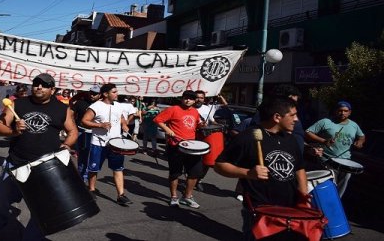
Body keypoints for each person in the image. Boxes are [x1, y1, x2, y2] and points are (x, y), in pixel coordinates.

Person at [0, 73, 77, 240]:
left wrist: (67, 144)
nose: (39, 87)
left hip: (47, 167)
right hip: (16, 163)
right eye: (36, 83)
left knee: (43, 209)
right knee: (0, 200)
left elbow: (72, 131)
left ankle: (31, 237)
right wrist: (13, 131)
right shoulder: (17, 104)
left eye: (44, 85)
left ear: (52, 89)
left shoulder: (62, 109)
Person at [214, 97, 309, 241]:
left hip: (289, 208)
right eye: (292, 115)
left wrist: (303, 195)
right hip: (259, 210)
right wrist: (248, 173)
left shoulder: (290, 139)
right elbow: (219, 165)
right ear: (277, 117)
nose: (296, 119)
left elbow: (299, 168)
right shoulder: (247, 137)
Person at [81, 83, 133, 206]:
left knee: (118, 168)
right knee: (94, 168)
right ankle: (92, 190)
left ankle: (121, 195)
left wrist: (124, 125)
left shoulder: (119, 106)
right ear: (105, 94)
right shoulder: (96, 106)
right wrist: (100, 125)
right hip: (98, 142)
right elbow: (84, 121)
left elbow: (121, 118)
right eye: (114, 92)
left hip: (115, 143)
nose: (117, 94)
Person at [153, 90, 205, 209]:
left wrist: (201, 125)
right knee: (175, 173)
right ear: (182, 98)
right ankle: (174, 197)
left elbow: (196, 125)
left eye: (191, 99)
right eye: (186, 98)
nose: (188, 100)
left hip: (191, 146)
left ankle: (187, 197)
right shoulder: (173, 109)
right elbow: (157, 120)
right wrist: (167, 130)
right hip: (175, 146)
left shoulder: (195, 111)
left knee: (194, 173)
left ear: (194, 100)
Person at [305, 101, 365, 197]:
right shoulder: (325, 122)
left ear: (350, 112)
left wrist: (360, 142)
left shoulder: (354, 125)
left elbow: (361, 136)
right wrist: (324, 141)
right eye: (340, 110)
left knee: (341, 189)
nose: (342, 113)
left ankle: (336, 204)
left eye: (345, 111)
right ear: (335, 111)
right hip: (327, 160)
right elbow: (308, 132)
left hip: (346, 162)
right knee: (329, 186)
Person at [70, 84, 102, 181]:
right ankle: (81, 176)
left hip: (96, 133)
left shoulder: (102, 105)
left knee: (93, 156)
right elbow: (71, 114)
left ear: (100, 95)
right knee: (83, 155)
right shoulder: (80, 103)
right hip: (82, 132)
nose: (92, 95)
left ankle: (89, 175)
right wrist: (73, 127)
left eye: (95, 94)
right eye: (91, 93)